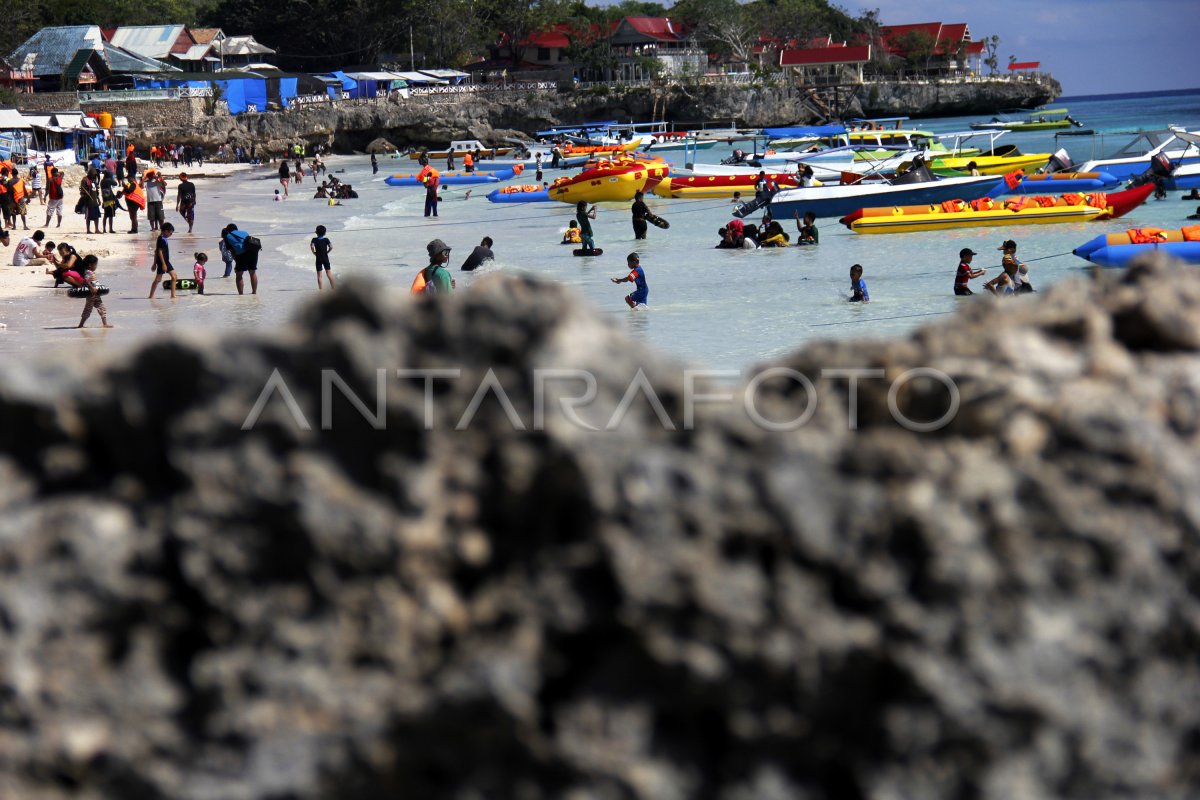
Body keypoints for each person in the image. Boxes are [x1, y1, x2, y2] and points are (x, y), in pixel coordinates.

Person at [223, 223, 261, 295]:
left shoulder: (227, 236)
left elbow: (231, 250)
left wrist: (236, 261)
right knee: (252, 272)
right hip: (253, 252)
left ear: (228, 230)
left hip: (241, 254)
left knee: (239, 274)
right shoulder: (244, 232)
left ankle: (241, 294)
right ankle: (254, 292)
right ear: (236, 229)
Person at [75, 255, 111, 329]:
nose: (96, 266)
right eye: (95, 264)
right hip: (91, 295)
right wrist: (91, 288)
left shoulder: (91, 272)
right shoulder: (88, 272)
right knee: (88, 309)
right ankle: (81, 324)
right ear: (90, 265)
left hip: (96, 294)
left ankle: (105, 324)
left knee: (102, 307)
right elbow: (86, 280)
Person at [149, 223, 179, 300]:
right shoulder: (161, 239)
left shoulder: (163, 238)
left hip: (166, 262)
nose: (171, 234)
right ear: (165, 231)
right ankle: (151, 296)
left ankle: (173, 295)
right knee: (158, 279)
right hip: (162, 262)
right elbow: (158, 252)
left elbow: (156, 251)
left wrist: (156, 263)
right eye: (170, 232)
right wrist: (160, 264)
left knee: (174, 276)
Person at [310, 224, 335, 290]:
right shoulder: (326, 239)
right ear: (325, 233)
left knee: (319, 276)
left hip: (318, 258)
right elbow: (331, 247)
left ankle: (321, 291)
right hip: (325, 258)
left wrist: (314, 252)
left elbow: (312, 246)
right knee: (329, 273)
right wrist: (327, 252)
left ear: (316, 232)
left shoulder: (314, 239)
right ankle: (334, 288)